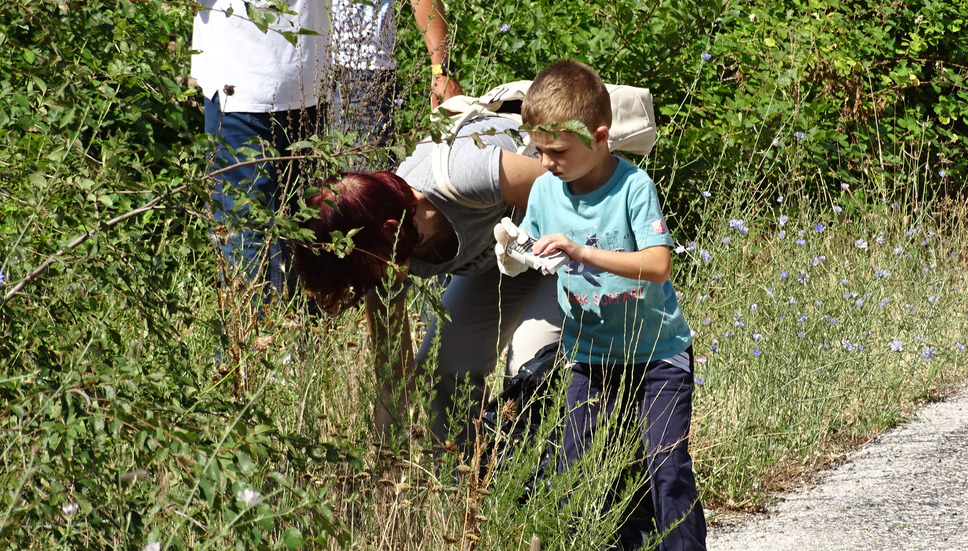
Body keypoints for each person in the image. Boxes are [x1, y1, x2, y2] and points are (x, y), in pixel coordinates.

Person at [496, 59, 707, 550]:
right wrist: (513, 251)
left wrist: (580, 251)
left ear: (599, 136)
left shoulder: (634, 187)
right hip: (590, 356)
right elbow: (535, 249)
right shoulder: (547, 189)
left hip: (658, 355)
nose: (546, 162)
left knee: (666, 465)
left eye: (558, 151)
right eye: (538, 150)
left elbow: (658, 265)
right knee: (582, 465)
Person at [292, 114, 562, 439]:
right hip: (508, 253)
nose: (367, 287)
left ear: (391, 232)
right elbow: (396, 382)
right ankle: (461, 482)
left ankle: (545, 479)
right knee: (447, 367)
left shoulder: (465, 176)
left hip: (576, 236)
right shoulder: (382, 252)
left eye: (363, 276)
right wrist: (385, 469)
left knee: (529, 369)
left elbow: (576, 193)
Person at [191, 0, 462, 296]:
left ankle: (256, 335)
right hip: (308, 78)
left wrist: (440, 67)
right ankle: (300, 323)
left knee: (247, 229)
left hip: (255, 84)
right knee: (311, 225)